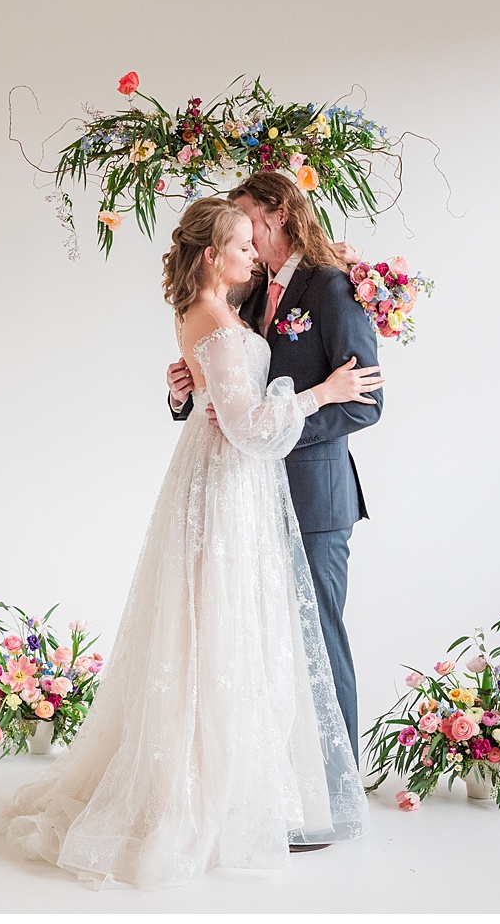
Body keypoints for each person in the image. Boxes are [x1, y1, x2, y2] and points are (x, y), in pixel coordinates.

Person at [0, 198, 382, 889]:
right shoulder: (226, 316)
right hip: (233, 484)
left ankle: (317, 794)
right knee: (222, 631)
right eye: (241, 245)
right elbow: (244, 421)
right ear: (213, 254)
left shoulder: (292, 296)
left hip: (281, 489)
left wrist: (217, 392)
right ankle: (228, 795)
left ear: (278, 217)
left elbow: (336, 401)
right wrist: (310, 393)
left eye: (256, 239)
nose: (254, 254)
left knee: (276, 634)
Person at [166, 172, 382, 764]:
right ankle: (282, 786)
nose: (245, 236)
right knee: (264, 641)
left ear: (280, 213)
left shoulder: (332, 287)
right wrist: (186, 393)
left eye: (249, 220)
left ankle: (340, 784)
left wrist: (274, 432)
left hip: (313, 497)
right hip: (249, 496)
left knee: (318, 637)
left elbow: (366, 403)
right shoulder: (247, 291)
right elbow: (229, 387)